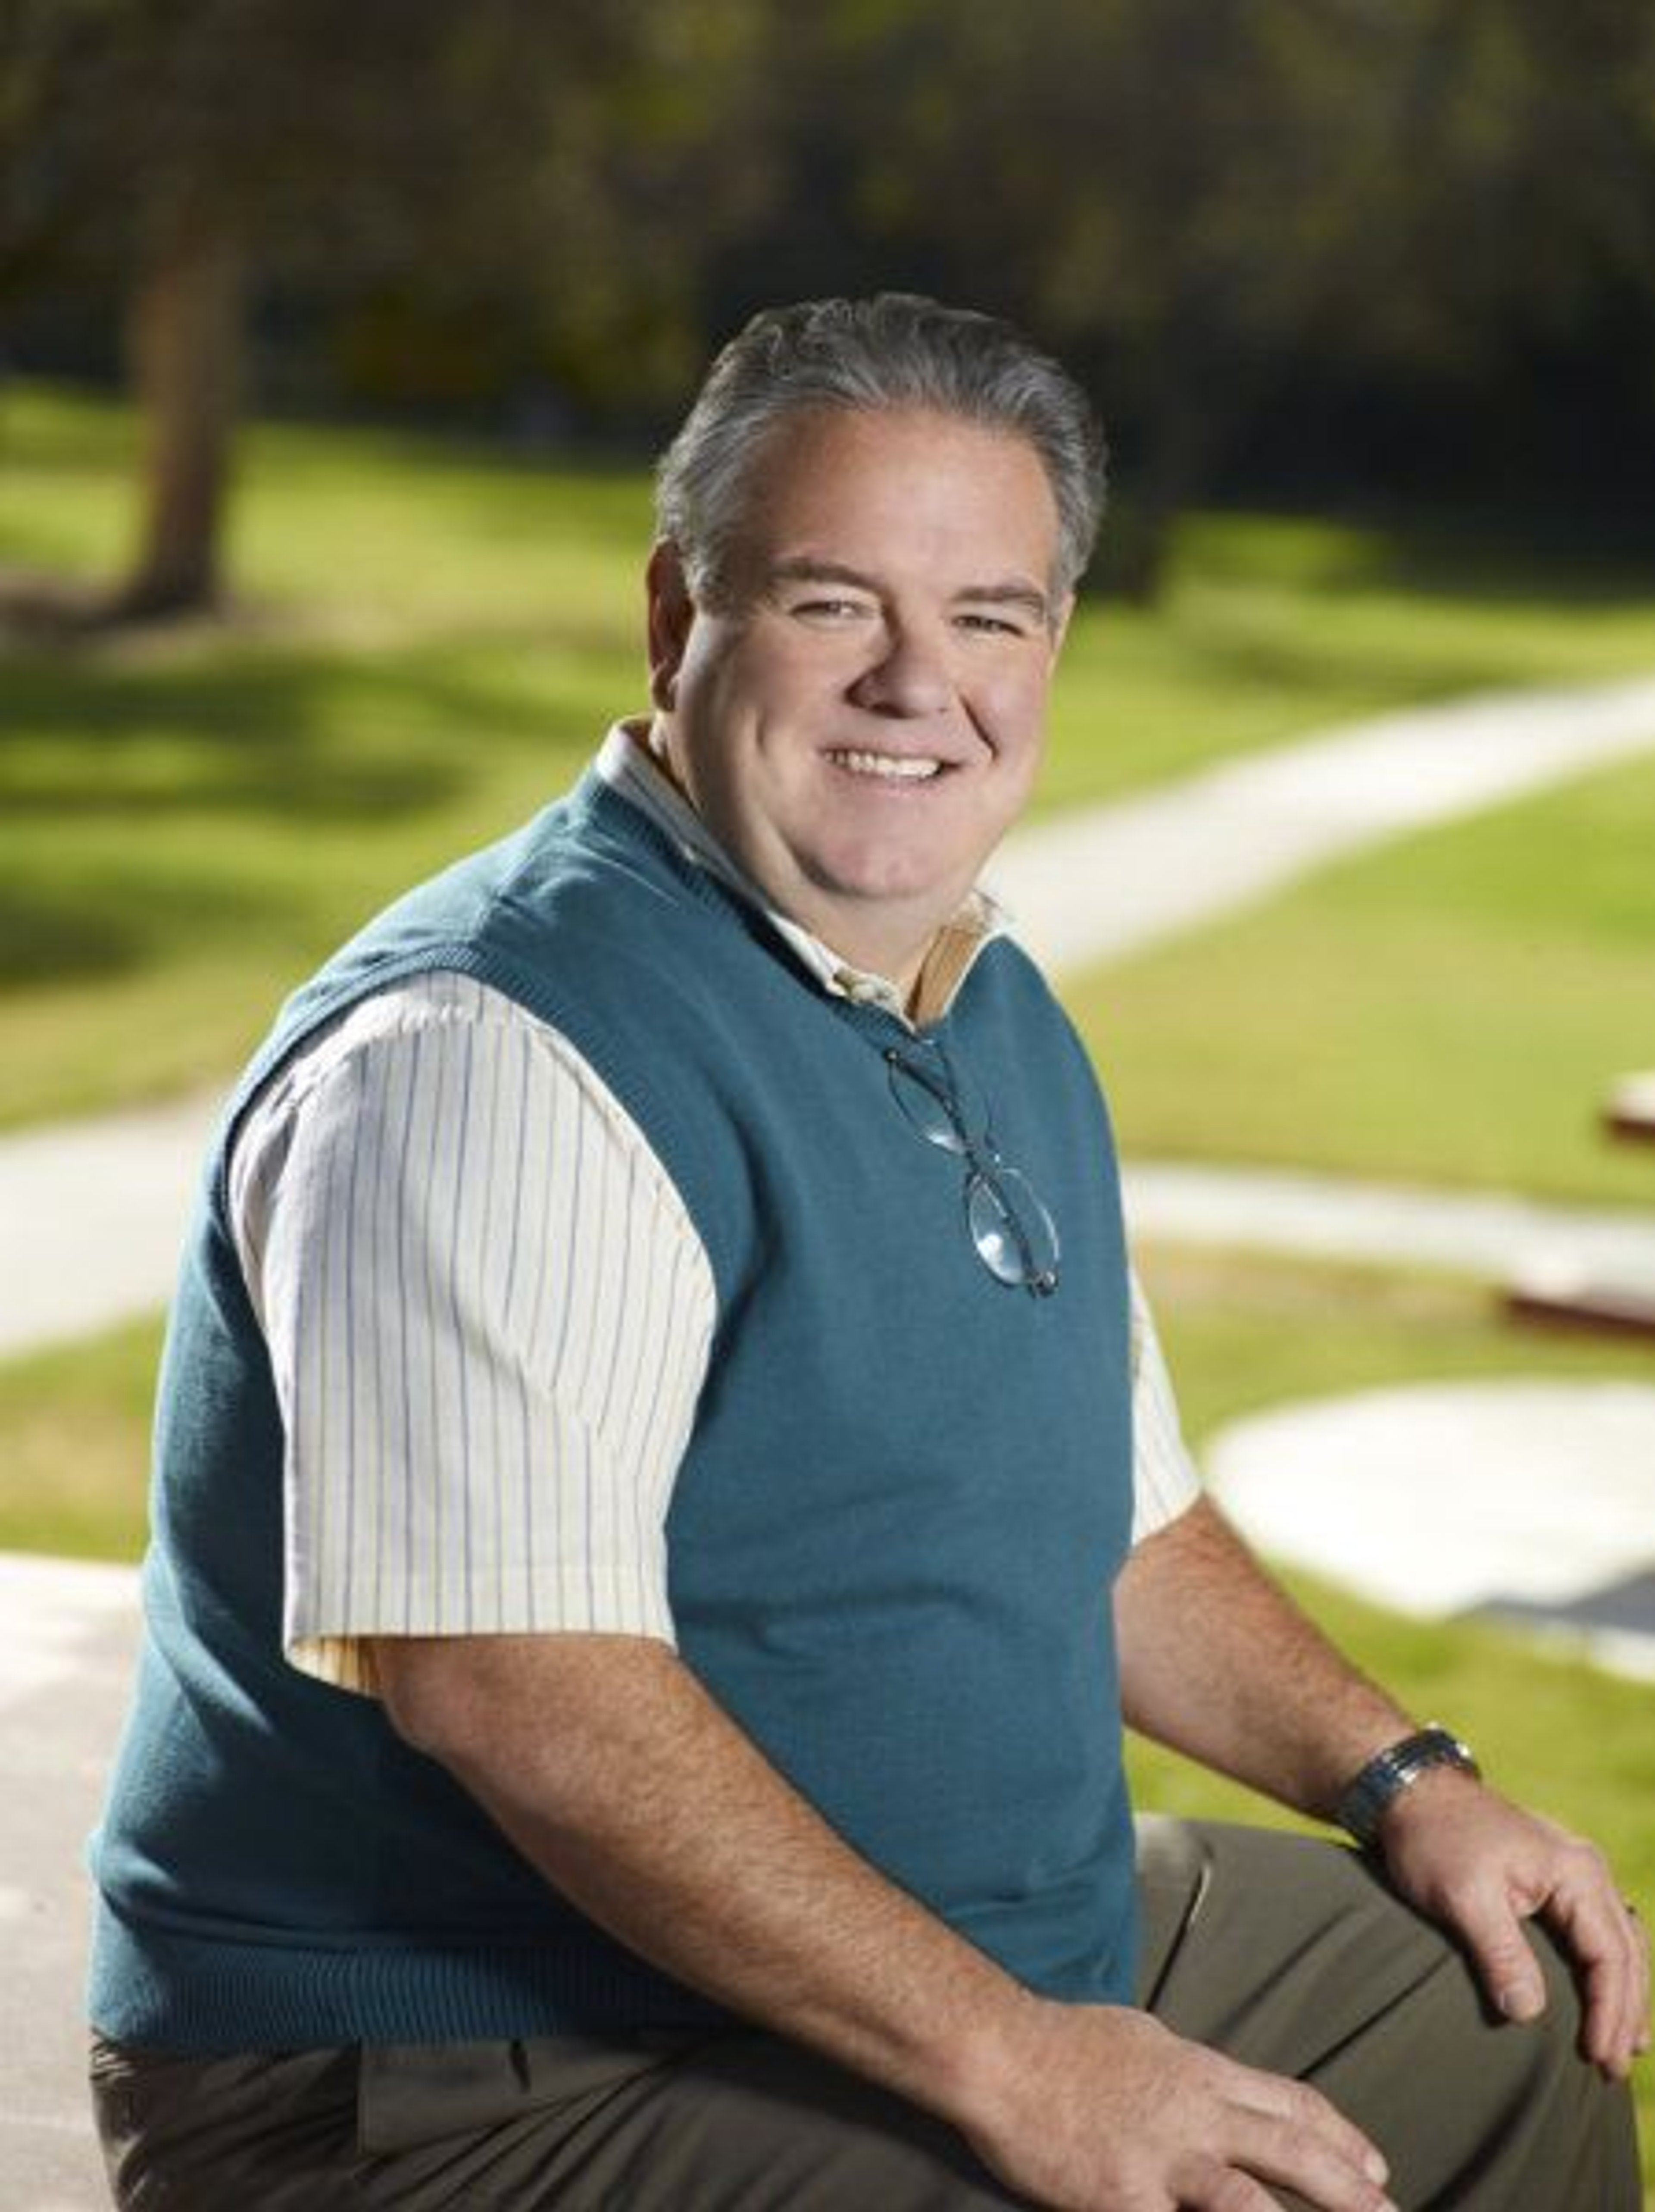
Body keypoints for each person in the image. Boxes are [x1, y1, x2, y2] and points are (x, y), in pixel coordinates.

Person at [88, 293, 1645, 2211]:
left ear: (1052, 645)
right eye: (835, 603)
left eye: (986, 615)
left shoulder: (978, 998)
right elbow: (518, 1690)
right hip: (458, 2081)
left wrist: (1409, 1775)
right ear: (678, 617)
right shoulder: (491, 1052)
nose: (922, 684)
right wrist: (1027, 2063)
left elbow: (1118, 1522)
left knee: (1494, 2005)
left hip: (946, 1953)